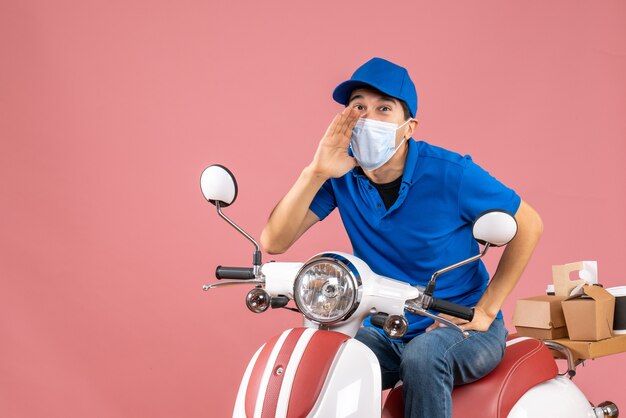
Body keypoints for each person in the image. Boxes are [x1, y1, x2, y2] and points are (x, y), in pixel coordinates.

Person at [260, 57, 543, 418]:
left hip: (460, 325)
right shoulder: (341, 173)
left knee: (423, 355)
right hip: (387, 325)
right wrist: (315, 171)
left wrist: (486, 309)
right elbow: (275, 241)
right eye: (359, 106)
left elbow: (529, 223)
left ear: (408, 127)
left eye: (383, 108)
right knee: (327, 353)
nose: (368, 117)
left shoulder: (450, 173)